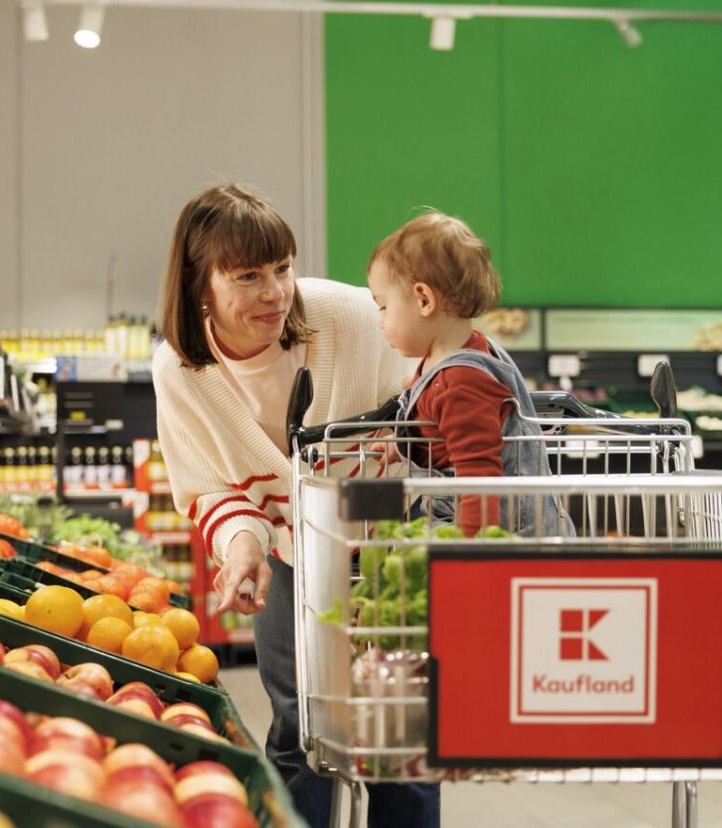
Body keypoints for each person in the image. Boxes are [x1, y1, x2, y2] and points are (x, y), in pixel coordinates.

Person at [152, 184, 440, 827]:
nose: (276, 292)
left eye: (282, 268)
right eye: (248, 276)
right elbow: (209, 488)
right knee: (298, 729)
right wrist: (244, 547)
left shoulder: (354, 318)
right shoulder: (180, 372)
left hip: (392, 550)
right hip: (292, 557)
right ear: (202, 286)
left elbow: (445, 379)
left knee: (397, 741)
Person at [367, 211, 569, 536]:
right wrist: (403, 445)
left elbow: (479, 478)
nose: (381, 321)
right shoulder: (459, 355)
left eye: (384, 307)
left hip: (500, 535)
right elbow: (445, 433)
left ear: (423, 299)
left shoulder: (461, 381)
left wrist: (471, 556)